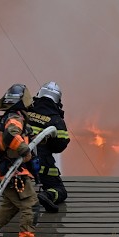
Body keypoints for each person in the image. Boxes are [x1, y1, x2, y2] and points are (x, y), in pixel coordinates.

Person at [0, 84, 47, 237]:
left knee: (11, 205)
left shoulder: (11, 116)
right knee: (31, 204)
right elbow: (11, 135)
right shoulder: (15, 118)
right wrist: (25, 150)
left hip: (8, 170)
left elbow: (19, 135)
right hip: (15, 172)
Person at [26, 81, 70, 210]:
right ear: (57, 100)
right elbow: (60, 146)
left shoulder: (25, 111)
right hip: (41, 166)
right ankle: (48, 195)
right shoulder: (56, 120)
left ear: (39, 94)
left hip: (18, 163)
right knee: (60, 190)